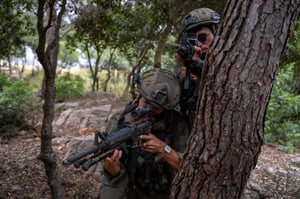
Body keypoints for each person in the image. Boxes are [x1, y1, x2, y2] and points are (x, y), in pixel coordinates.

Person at [99, 68, 190, 199]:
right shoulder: (120, 120)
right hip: (130, 184)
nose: (148, 109)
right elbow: (114, 171)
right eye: (146, 102)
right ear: (139, 94)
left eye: (156, 108)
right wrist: (113, 168)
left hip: (165, 187)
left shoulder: (177, 124)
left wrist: (163, 148)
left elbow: (186, 166)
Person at [177, 8, 220, 129]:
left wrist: (199, 67)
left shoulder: (229, 61)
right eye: (193, 40)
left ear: (216, 32)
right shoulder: (189, 65)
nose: (199, 44)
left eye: (202, 37)